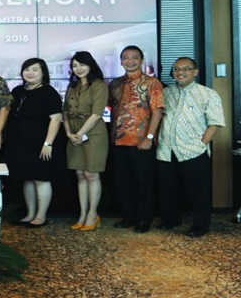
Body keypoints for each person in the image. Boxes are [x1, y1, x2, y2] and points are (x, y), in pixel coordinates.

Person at [156, 57, 225, 237]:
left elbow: (215, 123)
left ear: (195, 72)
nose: (180, 72)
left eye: (186, 69)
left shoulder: (208, 94)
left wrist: (201, 145)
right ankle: (171, 219)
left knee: (198, 191)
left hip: (193, 150)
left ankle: (201, 224)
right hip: (166, 150)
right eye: (177, 69)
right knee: (167, 187)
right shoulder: (165, 93)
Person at [108, 45, 164, 233]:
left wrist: (149, 137)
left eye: (134, 57)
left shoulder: (152, 83)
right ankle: (129, 216)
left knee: (144, 183)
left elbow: (157, 112)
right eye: (126, 57)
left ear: (141, 60)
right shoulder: (115, 84)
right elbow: (111, 108)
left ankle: (144, 220)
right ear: (121, 61)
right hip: (118, 141)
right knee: (123, 182)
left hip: (141, 142)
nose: (130, 61)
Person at [4, 58, 65, 227]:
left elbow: (56, 119)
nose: (30, 73)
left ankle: (41, 216)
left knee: (41, 179)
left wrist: (48, 144)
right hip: (21, 144)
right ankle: (30, 214)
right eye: (27, 69)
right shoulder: (17, 91)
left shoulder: (48, 92)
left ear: (43, 73)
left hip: (41, 144)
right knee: (27, 179)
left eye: (35, 70)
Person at [63, 51, 109, 231]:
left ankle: (93, 214)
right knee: (80, 175)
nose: (78, 69)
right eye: (75, 65)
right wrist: (68, 132)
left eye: (82, 64)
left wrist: (80, 133)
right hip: (73, 134)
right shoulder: (72, 86)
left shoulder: (99, 85)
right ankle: (82, 214)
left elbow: (97, 114)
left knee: (92, 175)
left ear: (90, 65)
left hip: (93, 134)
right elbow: (65, 111)